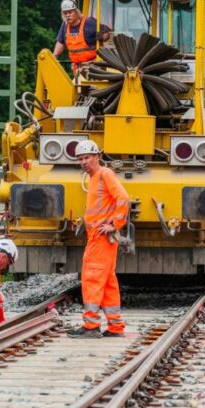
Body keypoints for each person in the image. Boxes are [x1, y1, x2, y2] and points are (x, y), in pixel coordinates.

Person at [67, 140, 130, 338]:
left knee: (92, 278)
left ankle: (91, 326)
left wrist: (115, 224)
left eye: (87, 157)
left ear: (97, 157)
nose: (84, 162)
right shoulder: (95, 177)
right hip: (101, 238)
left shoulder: (104, 174)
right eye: (80, 159)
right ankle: (115, 326)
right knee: (108, 282)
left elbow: (124, 198)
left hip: (101, 238)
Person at [52, 0, 110, 73]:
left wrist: (102, 37)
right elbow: (61, 42)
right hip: (77, 68)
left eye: (70, 12)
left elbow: (107, 34)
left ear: (76, 11)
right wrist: (53, 57)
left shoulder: (89, 22)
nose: (68, 15)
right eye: (65, 13)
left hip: (95, 67)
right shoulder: (64, 26)